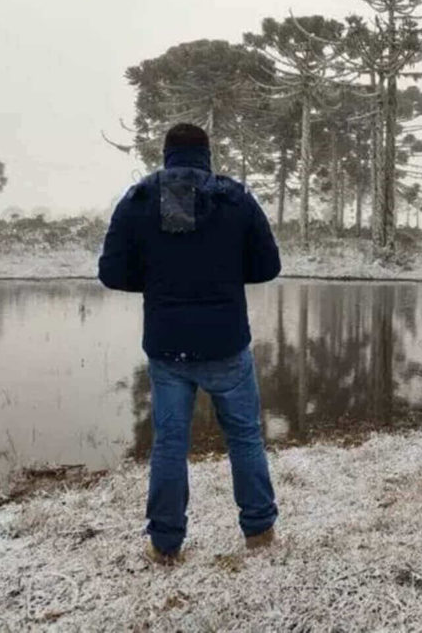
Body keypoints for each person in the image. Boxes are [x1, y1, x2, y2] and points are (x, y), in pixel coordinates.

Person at [98, 123, 281, 565]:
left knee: (169, 444)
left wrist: (159, 281)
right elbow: (268, 266)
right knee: (244, 438)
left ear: (166, 155)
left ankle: (165, 544)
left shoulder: (138, 200)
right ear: (207, 155)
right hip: (226, 344)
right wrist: (223, 272)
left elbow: (111, 273)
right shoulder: (235, 199)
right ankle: (258, 532)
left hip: (168, 347)